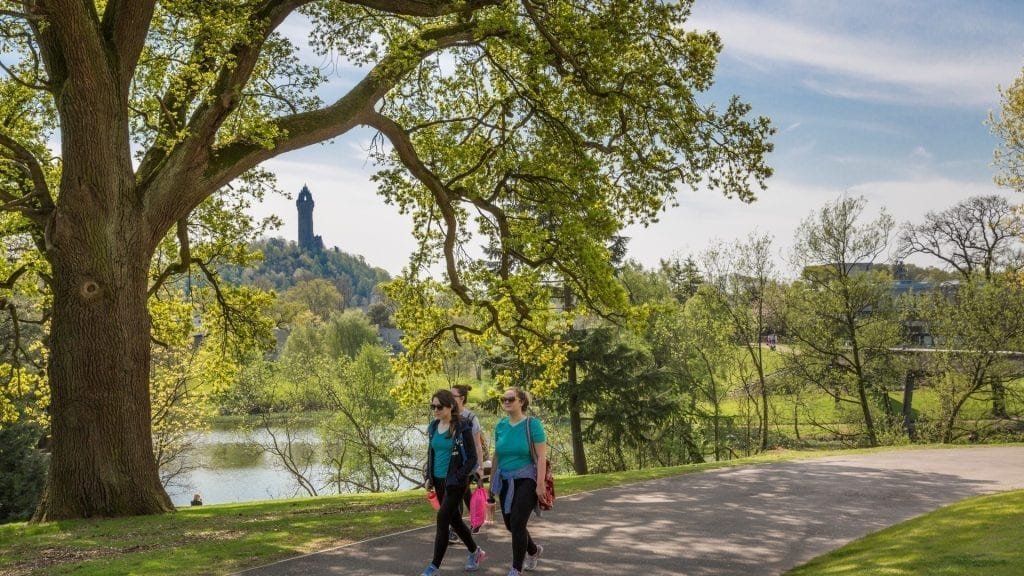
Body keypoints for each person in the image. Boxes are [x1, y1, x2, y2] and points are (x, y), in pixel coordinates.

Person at [420, 389, 487, 576]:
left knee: (442, 519)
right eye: (432, 406)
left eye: (439, 406)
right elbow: (431, 453)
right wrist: (429, 478)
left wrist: (459, 476)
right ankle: (476, 552)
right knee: (455, 521)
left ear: (450, 406)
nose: (435, 410)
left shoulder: (462, 426)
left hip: (456, 482)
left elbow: (472, 458)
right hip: (439, 481)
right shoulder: (433, 427)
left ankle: (434, 567)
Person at [490, 387, 547, 576]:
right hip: (506, 479)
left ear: (521, 401)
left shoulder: (533, 425)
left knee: (517, 521)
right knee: (510, 525)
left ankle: (516, 568)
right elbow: (497, 455)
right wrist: (492, 482)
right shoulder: (500, 426)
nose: (506, 402)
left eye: (510, 399)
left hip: (527, 478)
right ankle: (533, 550)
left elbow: (541, 457)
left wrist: (540, 484)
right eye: (503, 399)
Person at [451, 384, 486, 536]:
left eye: (453, 396)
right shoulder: (447, 415)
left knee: (457, 494)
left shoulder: (471, 418)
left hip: (468, 463)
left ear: (462, 398)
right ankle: (476, 518)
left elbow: (478, 444)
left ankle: (453, 530)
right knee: (463, 494)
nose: (449, 399)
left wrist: (480, 466)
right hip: (452, 464)